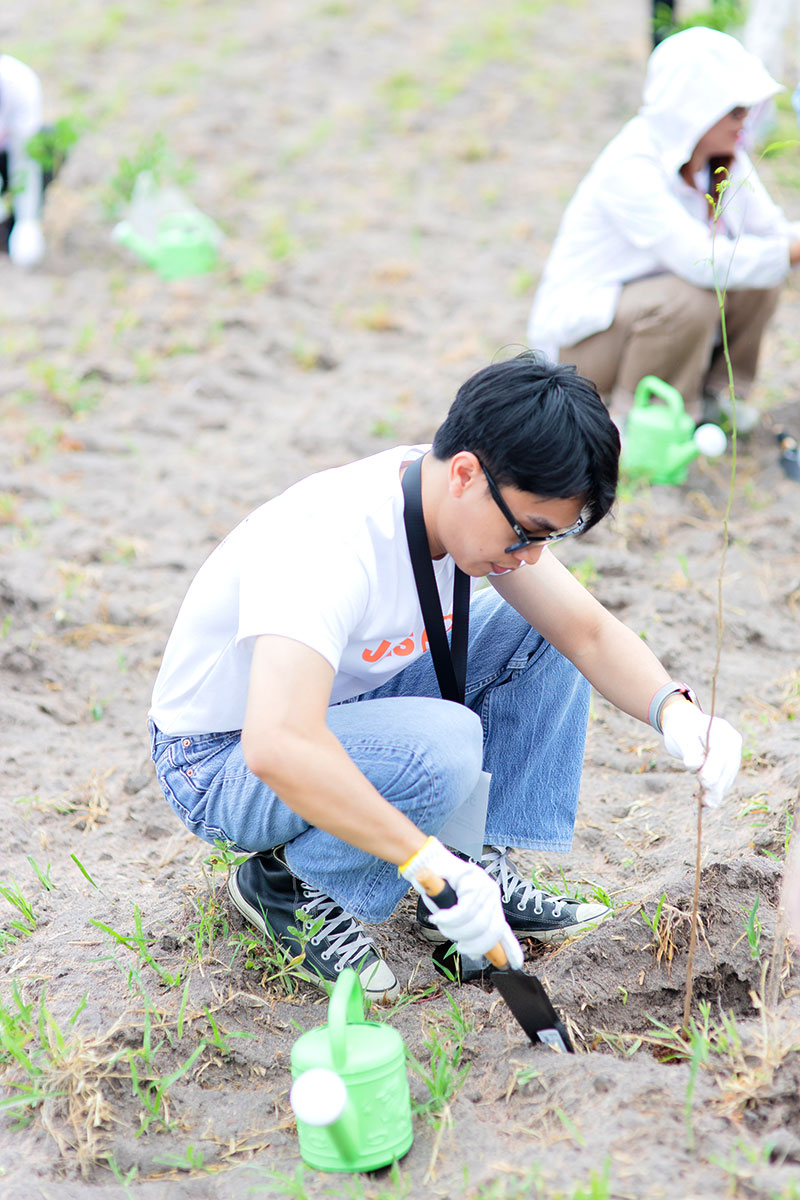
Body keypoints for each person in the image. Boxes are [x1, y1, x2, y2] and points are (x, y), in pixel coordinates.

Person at [148, 352, 743, 1002]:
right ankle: (293, 883)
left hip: (345, 702)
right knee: (441, 748)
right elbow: (276, 743)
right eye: (527, 532)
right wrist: (420, 860)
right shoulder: (330, 541)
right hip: (220, 759)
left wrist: (675, 710)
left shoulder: (454, 498)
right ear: (466, 473)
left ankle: (478, 868)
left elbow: (588, 632)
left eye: (551, 538)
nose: (532, 556)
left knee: (542, 635)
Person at [527, 27, 800, 435]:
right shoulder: (630, 167)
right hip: (584, 343)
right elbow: (700, 264)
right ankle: (642, 425)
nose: (747, 118)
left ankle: (719, 400)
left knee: (760, 272)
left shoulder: (722, 158)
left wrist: (788, 248)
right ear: (696, 109)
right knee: (690, 296)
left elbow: (771, 235)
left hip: (652, 317)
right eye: (735, 108)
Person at [0, 53, 47, 267]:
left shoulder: (19, 83)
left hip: (12, 154)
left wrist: (27, 222)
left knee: (48, 145)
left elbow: (26, 159)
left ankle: (17, 224)